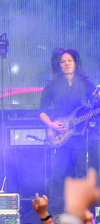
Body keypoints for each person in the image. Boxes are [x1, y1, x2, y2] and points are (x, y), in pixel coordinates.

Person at [38, 48, 97, 215]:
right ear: (58, 65)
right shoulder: (52, 85)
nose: (66, 64)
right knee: (58, 175)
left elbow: (95, 104)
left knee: (81, 174)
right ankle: (56, 214)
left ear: (75, 63)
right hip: (60, 136)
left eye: (69, 61)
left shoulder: (85, 83)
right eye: (63, 62)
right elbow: (41, 111)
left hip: (80, 137)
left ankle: (83, 213)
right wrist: (52, 125)